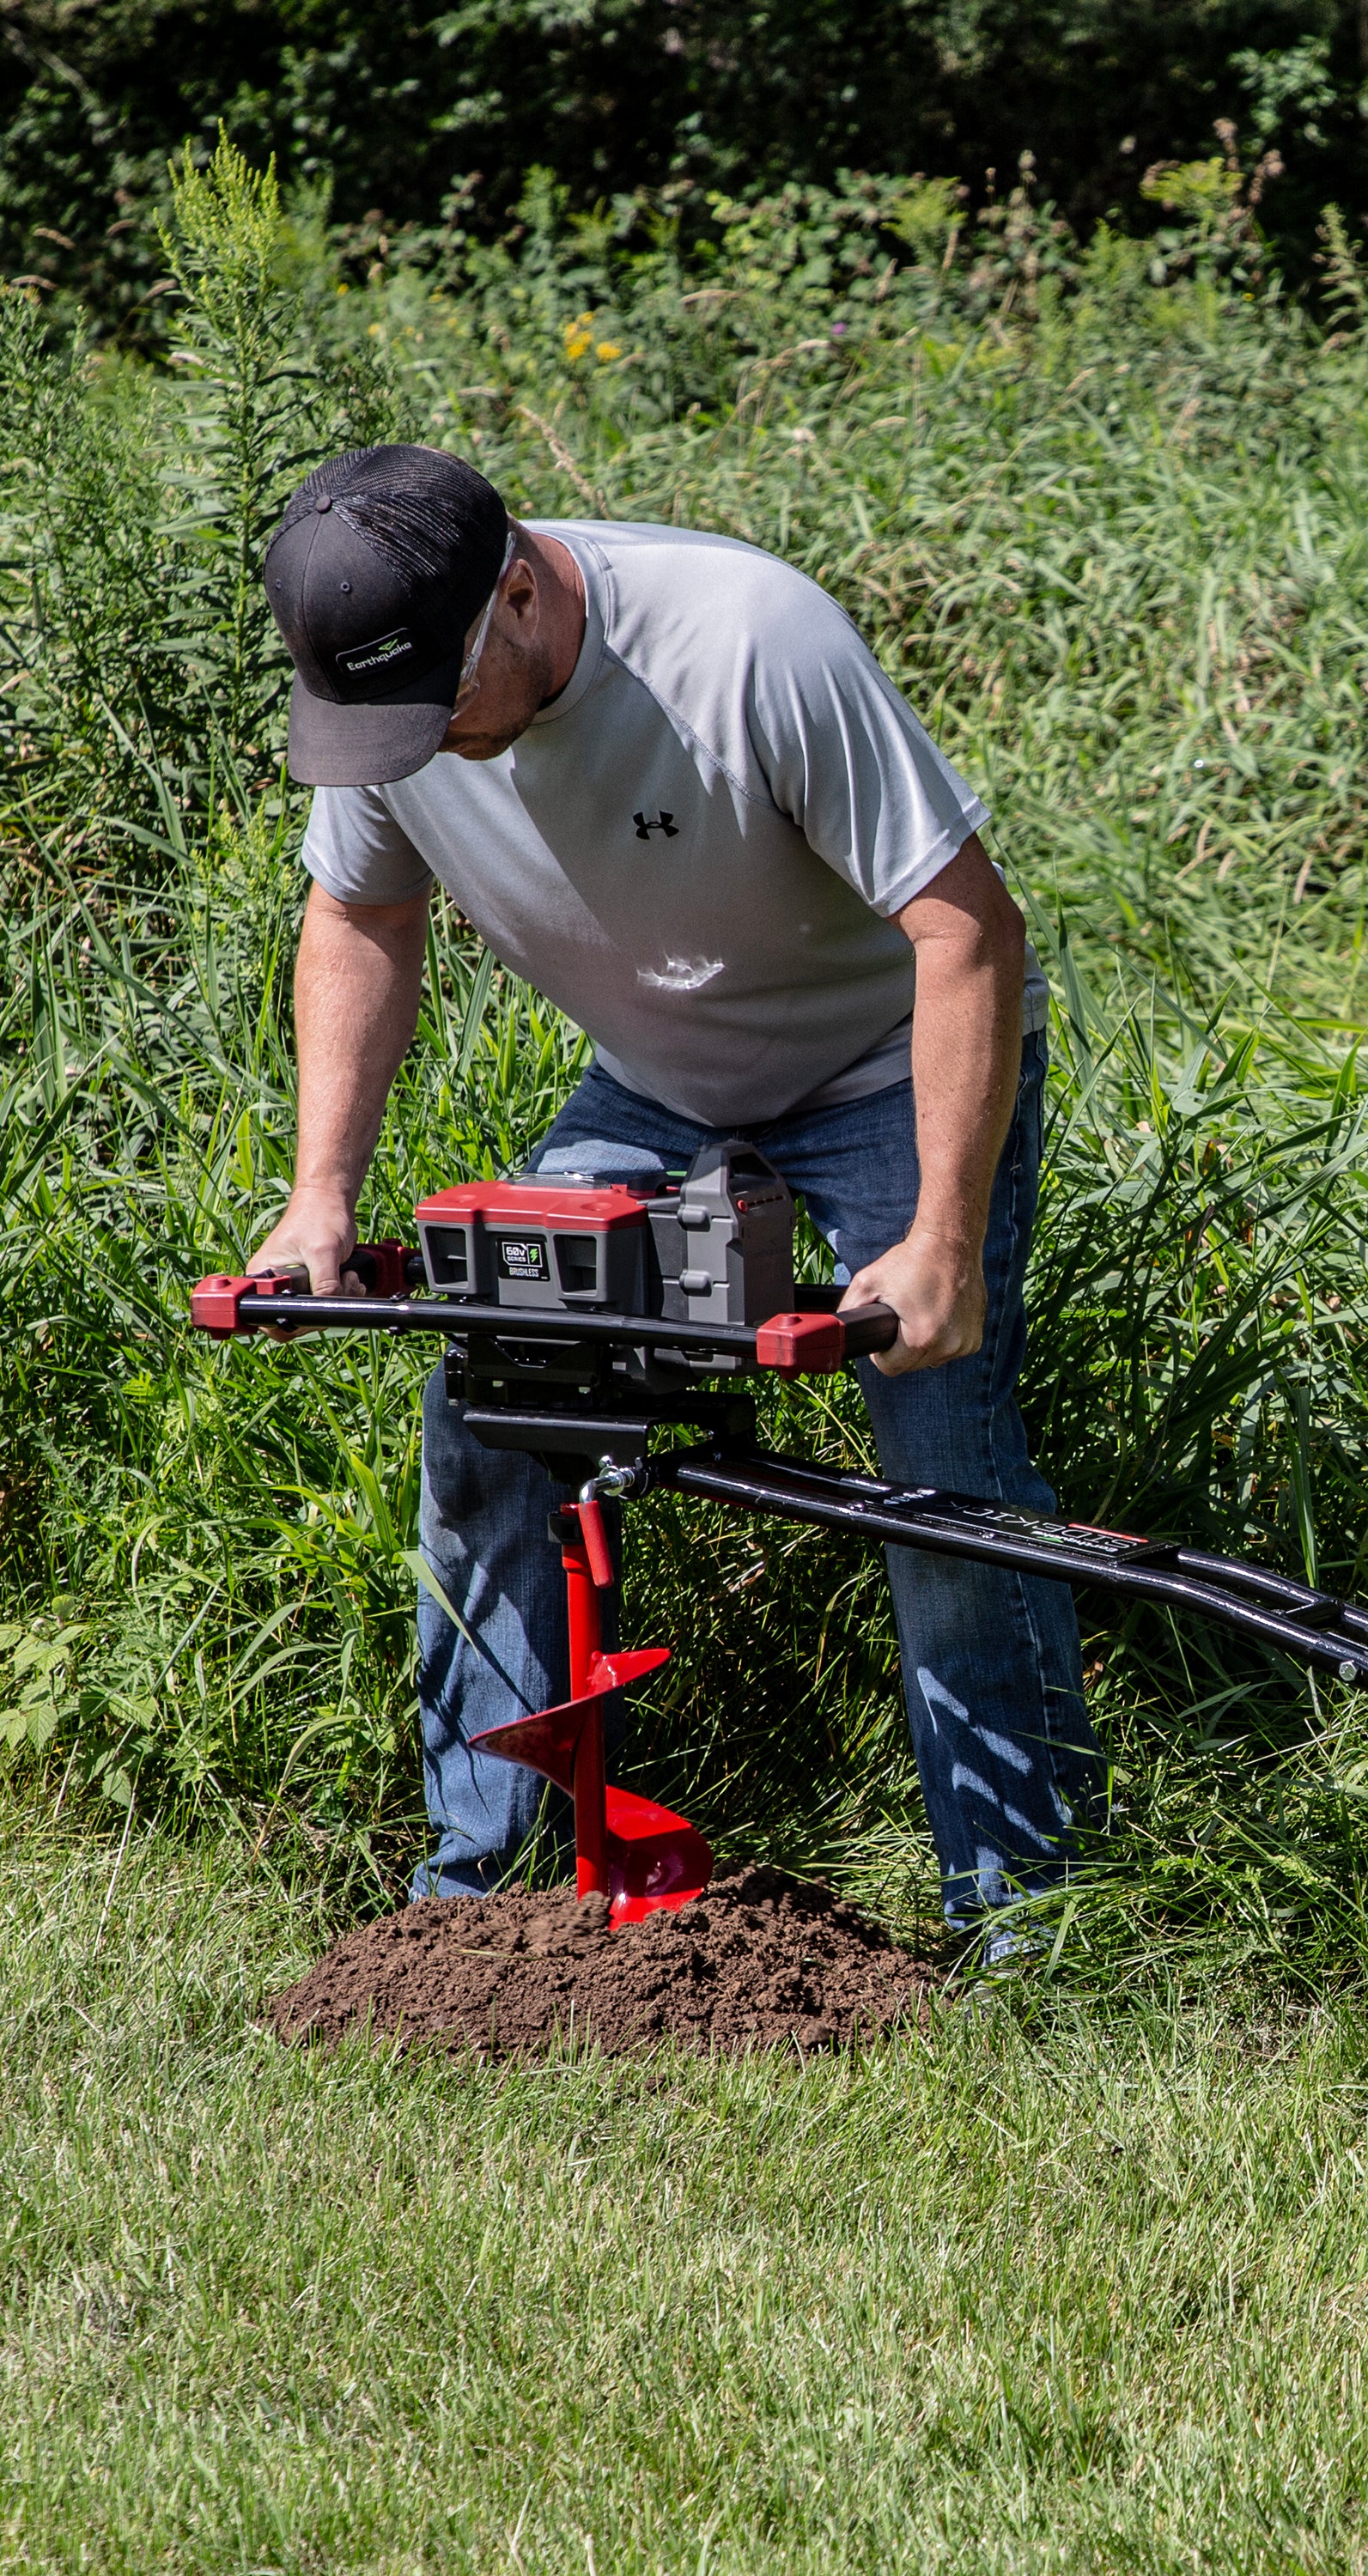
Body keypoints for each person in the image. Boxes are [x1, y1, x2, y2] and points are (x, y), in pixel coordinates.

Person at [246, 440, 1101, 1934]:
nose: (415, 750)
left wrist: (941, 1240)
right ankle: (476, 1906)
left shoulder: (746, 640)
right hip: (657, 1085)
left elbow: (969, 928)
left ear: (514, 593)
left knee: (939, 1464)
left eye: (433, 709)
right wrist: (322, 1192)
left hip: (885, 1065)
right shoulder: (394, 707)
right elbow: (361, 914)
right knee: (496, 1400)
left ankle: (1027, 1915)